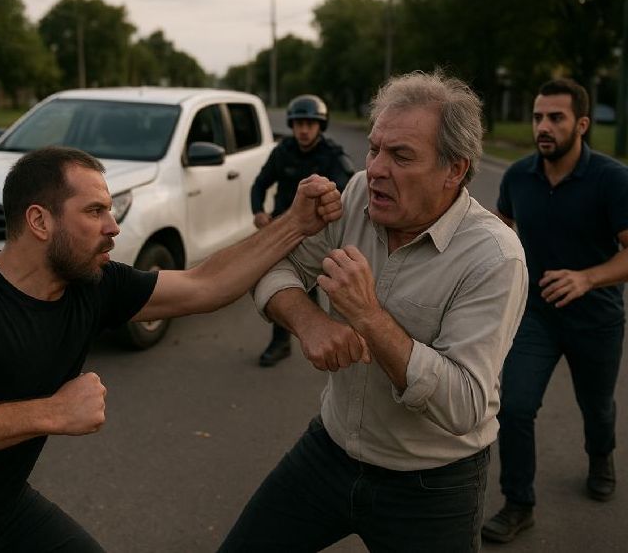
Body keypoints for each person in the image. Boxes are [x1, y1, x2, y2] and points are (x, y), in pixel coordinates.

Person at [0, 146, 342, 553]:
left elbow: (204, 286)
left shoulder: (92, 286)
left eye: (111, 209)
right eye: (95, 211)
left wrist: (294, 223)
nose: (113, 225)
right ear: (39, 221)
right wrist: (49, 412)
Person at [218, 71, 528, 553]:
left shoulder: (493, 256)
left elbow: (465, 404)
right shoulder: (360, 191)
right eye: (375, 147)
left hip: (432, 487)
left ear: (454, 170)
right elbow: (274, 265)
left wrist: (368, 316)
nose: (377, 168)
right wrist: (309, 321)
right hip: (330, 451)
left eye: (401, 155)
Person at [482, 78, 628, 544]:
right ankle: (519, 502)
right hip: (536, 315)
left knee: (597, 407)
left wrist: (587, 277)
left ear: (582, 124)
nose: (542, 126)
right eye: (538, 116)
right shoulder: (518, 176)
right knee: (515, 406)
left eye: (555, 118)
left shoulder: (611, 178)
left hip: (597, 318)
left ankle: (601, 453)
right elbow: (499, 232)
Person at [250, 94, 355, 366]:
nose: (304, 130)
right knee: (285, 285)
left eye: (310, 123)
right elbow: (260, 183)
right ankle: (282, 341)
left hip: (319, 235)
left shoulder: (333, 155)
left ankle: (336, 341)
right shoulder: (282, 151)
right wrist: (259, 212)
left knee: (327, 287)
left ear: (321, 125)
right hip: (282, 231)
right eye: (298, 124)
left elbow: (349, 194)